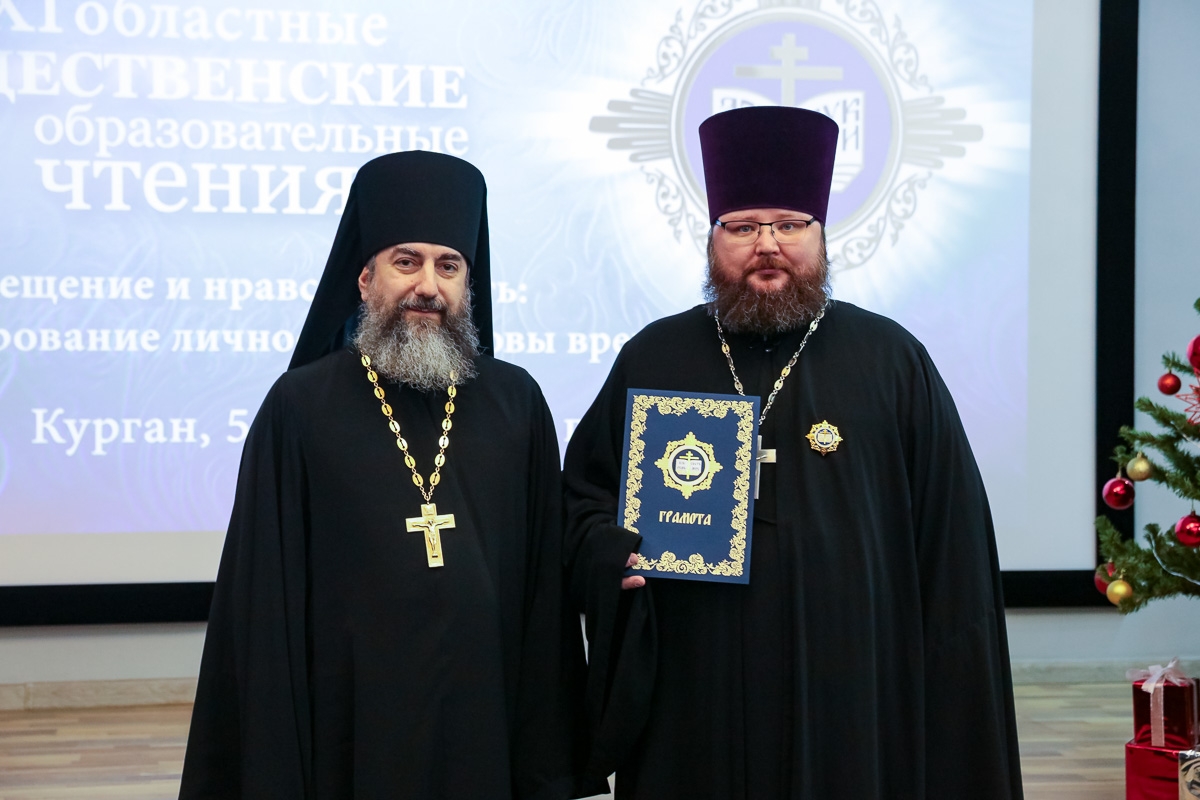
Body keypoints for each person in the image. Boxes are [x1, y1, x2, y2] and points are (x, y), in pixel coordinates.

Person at [564, 106, 1024, 799]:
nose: (767, 245)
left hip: (853, 683)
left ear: (821, 234)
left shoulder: (890, 359)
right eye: (743, 227)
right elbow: (583, 500)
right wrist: (611, 551)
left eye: (788, 225)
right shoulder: (654, 355)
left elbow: (950, 538)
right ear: (712, 238)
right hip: (694, 683)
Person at [180, 151, 604, 800]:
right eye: (407, 262)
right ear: (364, 279)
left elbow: (545, 595)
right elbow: (263, 604)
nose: (428, 286)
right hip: (347, 727)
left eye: (449, 266)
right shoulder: (300, 407)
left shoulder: (515, 402)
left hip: (485, 720)